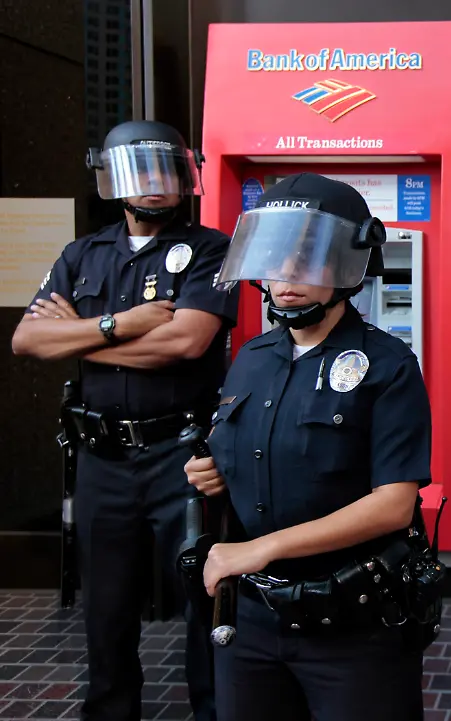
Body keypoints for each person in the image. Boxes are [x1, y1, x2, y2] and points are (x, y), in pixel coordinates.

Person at [183, 172, 442, 721]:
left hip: (351, 618)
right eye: (275, 256)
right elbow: (253, 458)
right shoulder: (251, 358)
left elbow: (393, 505)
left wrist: (262, 548)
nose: (288, 275)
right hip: (253, 617)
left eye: (308, 257)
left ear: (347, 265)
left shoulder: (389, 366)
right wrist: (216, 473)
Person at [11, 120, 236, 721]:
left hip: (182, 455)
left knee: (203, 596)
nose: (156, 184)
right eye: (142, 171)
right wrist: (123, 324)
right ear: (112, 181)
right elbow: (27, 339)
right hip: (101, 459)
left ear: (185, 177)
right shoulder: (82, 254)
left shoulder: (211, 249)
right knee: (106, 607)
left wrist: (78, 337)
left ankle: (214, 711)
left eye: (167, 170)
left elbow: (186, 342)